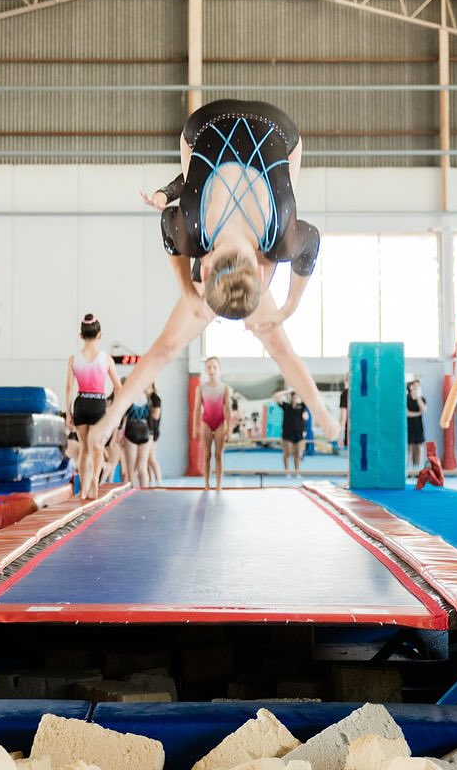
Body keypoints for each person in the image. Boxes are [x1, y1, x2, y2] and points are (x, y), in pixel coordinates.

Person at [89, 99, 341, 458]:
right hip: (216, 127)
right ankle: (320, 410)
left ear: (204, 271)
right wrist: (283, 306)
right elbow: (167, 221)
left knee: (170, 345)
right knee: (275, 341)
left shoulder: (274, 237)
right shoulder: (197, 230)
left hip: (261, 127)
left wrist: (287, 306)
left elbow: (310, 241)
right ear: (206, 270)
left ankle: (111, 417)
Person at [64, 314, 121, 500]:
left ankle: (83, 488)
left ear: (81, 335)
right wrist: (115, 412)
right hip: (98, 403)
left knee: (84, 449)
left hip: (81, 403)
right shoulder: (106, 359)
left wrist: (68, 413)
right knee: (97, 447)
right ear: (100, 335)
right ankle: (95, 480)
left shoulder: (73, 359)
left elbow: (68, 388)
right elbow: (119, 388)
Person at [193, 356, 231, 490]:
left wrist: (229, 430)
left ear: (219, 369)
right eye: (209, 367)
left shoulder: (225, 388)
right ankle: (207, 484)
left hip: (220, 422)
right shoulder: (201, 388)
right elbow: (197, 409)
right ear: (205, 370)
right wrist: (194, 428)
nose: (212, 370)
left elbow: (228, 410)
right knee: (207, 454)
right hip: (206, 422)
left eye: (214, 367)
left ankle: (219, 485)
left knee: (218, 455)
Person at [274, 388, 310, 476]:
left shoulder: (302, 406)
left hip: (299, 432)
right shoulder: (286, 406)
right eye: (293, 397)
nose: (295, 398)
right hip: (287, 433)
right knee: (287, 453)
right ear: (290, 397)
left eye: (296, 397)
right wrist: (288, 391)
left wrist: (299, 391)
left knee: (297, 453)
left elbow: (309, 397)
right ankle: (287, 472)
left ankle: (297, 471)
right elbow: (276, 397)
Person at [122, 390, 154, 488]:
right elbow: (152, 419)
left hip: (132, 429)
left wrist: (119, 434)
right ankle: (145, 491)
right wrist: (152, 435)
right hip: (145, 430)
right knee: (142, 467)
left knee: (130, 470)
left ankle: (132, 494)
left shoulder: (129, 396)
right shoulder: (147, 397)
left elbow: (123, 418)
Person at [406, 378, 427, 474]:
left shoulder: (421, 399)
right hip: (408, 426)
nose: (416, 388)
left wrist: (417, 398)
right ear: (410, 387)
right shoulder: (405, 398)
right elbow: (407, 413)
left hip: (418, 426)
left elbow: (424, 410)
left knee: (418, 448)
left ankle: (417, 470)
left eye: (418, 387)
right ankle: (407, 469)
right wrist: (418, 413)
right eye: (414, 386)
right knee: (409, 448)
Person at [146, 382, 163, 485]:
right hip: (149, 429)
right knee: (147, 459)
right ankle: (151, 480)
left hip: (153, 430)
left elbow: (156, 415)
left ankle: (159, 481)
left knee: (151, 457)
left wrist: (144, 412)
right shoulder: (148, 397)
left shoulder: (155, 398)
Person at [336, 372, 350, 455]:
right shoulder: (365, 393)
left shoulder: (345, 394)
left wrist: (340, 436)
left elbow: (343, 418)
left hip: (352, 432)